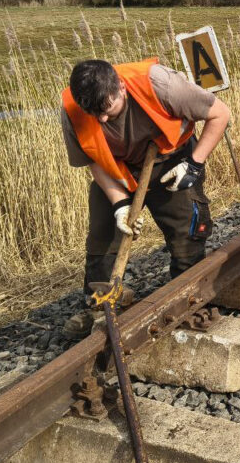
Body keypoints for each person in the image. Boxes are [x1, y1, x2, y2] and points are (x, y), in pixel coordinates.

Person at [59, 58, 231, 339]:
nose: (101, 119)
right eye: (93, 113)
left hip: (171, 161)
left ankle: (186, 297)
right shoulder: (72, 109)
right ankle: (98, 306)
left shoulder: (160, 84)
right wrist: (119, 203)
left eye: (107, 110)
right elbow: (93, 159)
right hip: (119, 171)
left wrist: (195, 165)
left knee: (186, 227)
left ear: (121, 89)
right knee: (102, 234)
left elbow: (220, 114)